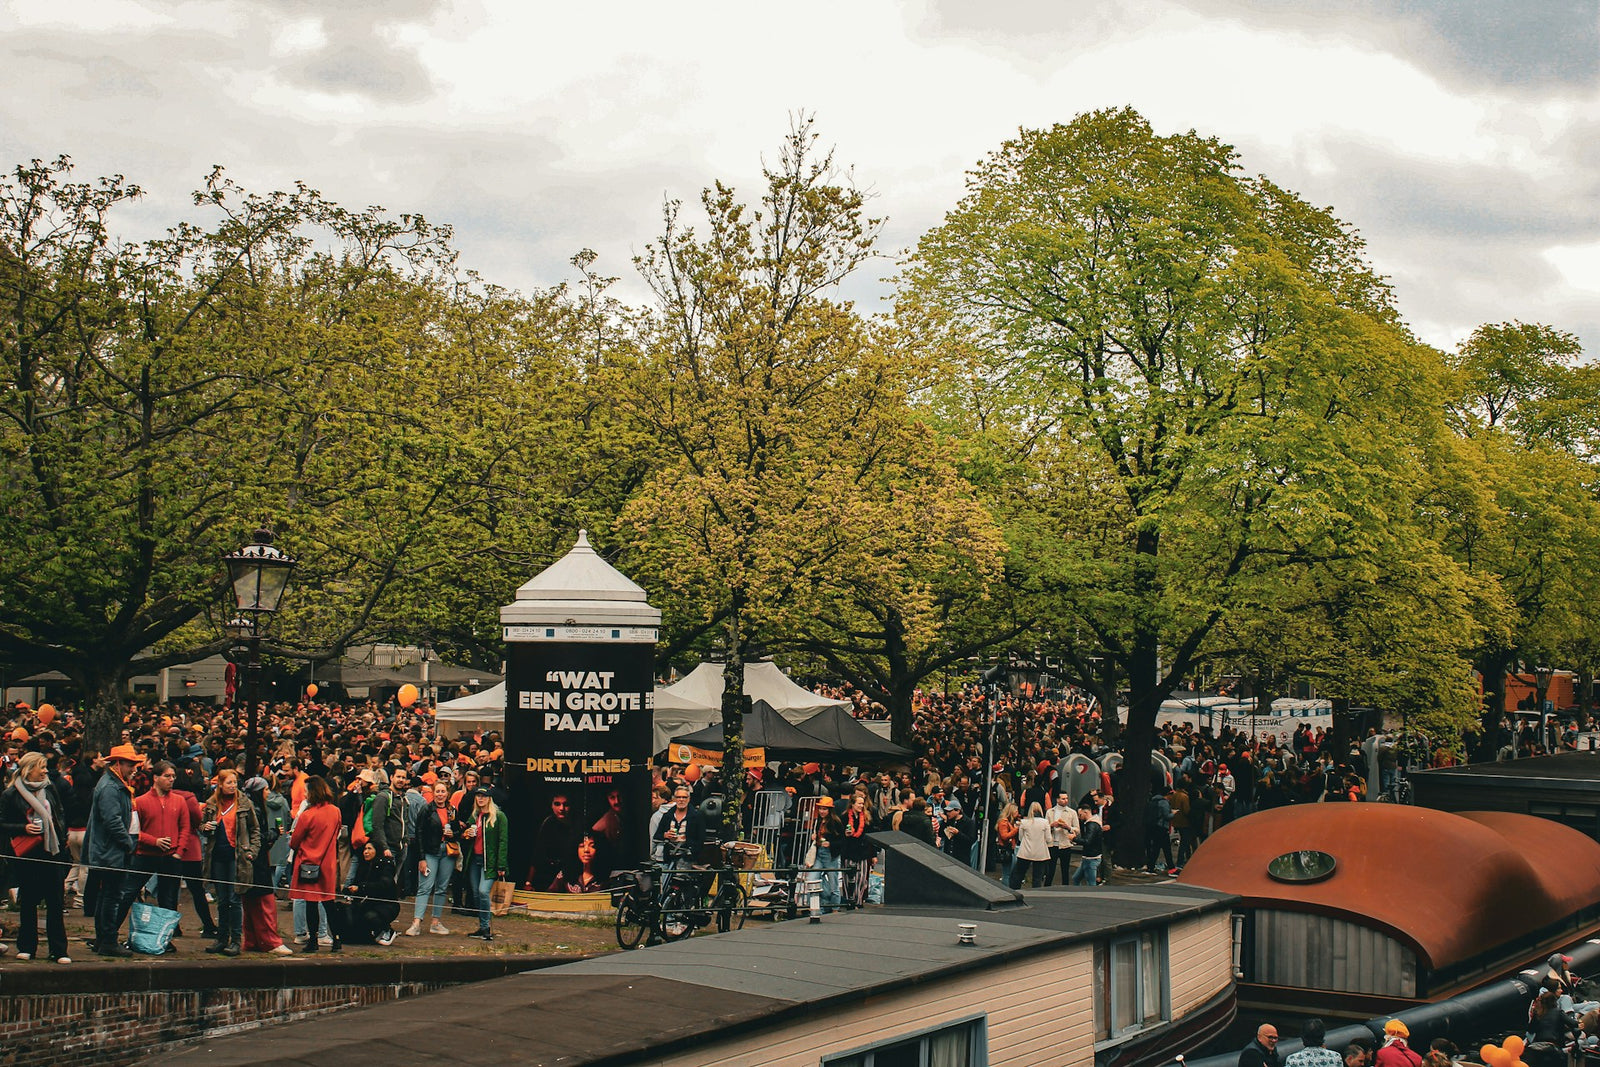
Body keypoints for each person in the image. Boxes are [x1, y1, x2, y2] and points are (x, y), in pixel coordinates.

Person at [0, 752, 71, 962]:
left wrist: (61, 836)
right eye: (41, 767)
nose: (45, 771)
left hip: (52, 851)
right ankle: (27, 946)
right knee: (29, 901)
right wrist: (23, 827)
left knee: (55, 902)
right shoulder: (11, 794)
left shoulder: (50, 788)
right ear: (29, 769)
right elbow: (2, 822)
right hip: (28, 854)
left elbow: (59, 813)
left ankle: (58, 949)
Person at [86, 743, 140, 956]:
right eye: (129, 764)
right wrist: (127, 843)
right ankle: (108, 940)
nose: (133, 768)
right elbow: (112, 821)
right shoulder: (110, 787)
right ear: (118, 763)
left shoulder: (113, 784)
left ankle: (103, 939)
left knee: (107, 895)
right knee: (112, 896)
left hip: (107, 851)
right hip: (111, 852)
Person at [199, 769, 259, 956]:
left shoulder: (244, 803)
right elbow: (202, 827)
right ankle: (221, 938)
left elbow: (254, 829)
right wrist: (205, 827)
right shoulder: (211, 803)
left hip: (237, 856)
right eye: (229, 783)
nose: (233, 786)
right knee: (222, 900)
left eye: (235, 782)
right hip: (217, 855)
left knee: (235, 899)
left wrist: (252, 852)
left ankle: (236, 940)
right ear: (221, 785)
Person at [127, 760, 191, 920]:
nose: (171, 779)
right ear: (155, 778)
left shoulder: (179, 801)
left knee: (169, 900)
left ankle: (167, 937)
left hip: (171, 856)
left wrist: (179, 851)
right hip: (145, 854)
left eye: (173, 776)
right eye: (167, 776)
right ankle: (111, 933)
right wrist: (153, 841)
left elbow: (185, 827)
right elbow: (133, 831)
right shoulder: (141, 801)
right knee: (128, 893)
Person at [289, 775, 344, 953]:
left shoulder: (308, 815)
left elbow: (294, 841)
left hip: (308, 863)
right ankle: (336, 939)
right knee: (329, 903)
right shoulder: (335, 811)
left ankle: (313, 940)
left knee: (311, 904)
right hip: (327, 863)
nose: (304, 795)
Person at [239, 776, 291, 955]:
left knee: (250, 902)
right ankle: (270, 941)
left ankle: (252, 939)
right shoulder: (256, 810)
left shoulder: (246, 807)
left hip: (248, 860)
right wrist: (273, 834)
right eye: (266, 789)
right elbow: (257, 837)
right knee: (265, 902)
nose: (268, 792)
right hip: (257, 860)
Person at [406, 782, 457, 935]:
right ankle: (416, 922)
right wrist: (421, 858)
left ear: (447, 793)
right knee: (425, 887)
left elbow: (458, 829)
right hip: (430, 852)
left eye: (443, 791)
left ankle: (436, 922)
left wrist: (453, 834)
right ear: (433, 793)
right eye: (438, 791)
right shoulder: (426, 809)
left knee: (442, 888)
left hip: (447, 852)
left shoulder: (452, 810)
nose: (440, 794)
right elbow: (419, 833)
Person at [462, 787, 508, 940]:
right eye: (478, 796)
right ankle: (482, 926)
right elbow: (466, 832)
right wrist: (467, 833)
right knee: (476, 892)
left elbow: (503, 841)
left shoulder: (499, 816)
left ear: (489, 798)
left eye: (484, 796)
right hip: (475, 858)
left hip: (490, 861)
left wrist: (501, 864)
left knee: (483, 891)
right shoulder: (475, 815)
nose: (480, 799)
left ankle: (487, 926)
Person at [342, 841, 400, 945]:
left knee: (370, 916)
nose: (366, 852)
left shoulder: (386, 865)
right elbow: (358, 884)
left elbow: (383, 885)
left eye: (369, 849)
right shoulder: (363, 866)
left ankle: (387, 930)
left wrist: (361, 888)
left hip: (386, 905)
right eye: (365, 849)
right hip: (368, 903)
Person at [530, 791, 576, 890]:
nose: (561, 808)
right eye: (557, 804)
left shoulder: (577, 824)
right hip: (549, 874)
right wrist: (528, 882)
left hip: (571, 874)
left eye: (566, 804)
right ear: (551, 805)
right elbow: (538, 854)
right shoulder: (548, 824)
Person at [1011, 802, 1052, 889]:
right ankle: (1035, 896)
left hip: (1025, 852)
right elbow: (1049, 839)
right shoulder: (1045, 822)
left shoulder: (1024, 822)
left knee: (1018, 875)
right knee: (1037, 878)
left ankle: (1016, 892)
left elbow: (1021, 838)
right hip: (1040, 853)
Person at [1046, 792, 1079, 885]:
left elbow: (1077, 829)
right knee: (1050, 870)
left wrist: (1068, 827)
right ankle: (1047, 888)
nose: (1066, 801)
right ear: (1057, 800)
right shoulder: (1050, 812)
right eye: (1063, 799)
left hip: (1065, 844)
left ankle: (1065, 887)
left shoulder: (1072, 812)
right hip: (1052, 844)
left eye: (1066, 798)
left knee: (1065, 870)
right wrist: (1052, 826)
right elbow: (1045, 828)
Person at [1070, 802, 1104, 886]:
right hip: (1089, 857)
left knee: (1091, 883)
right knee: (1076, 879)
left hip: (1091, 858)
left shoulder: (1091, 825)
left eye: (1080, 814)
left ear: (1086, 812)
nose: (1079, 817)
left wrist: (1074, 839)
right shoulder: (1092, 824)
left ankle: (1090, 897)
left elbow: (1087, 841)